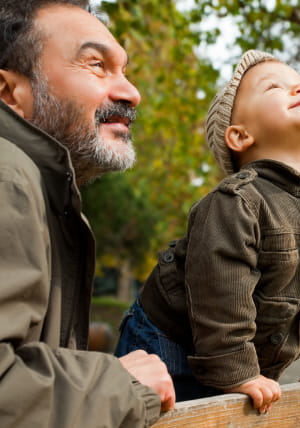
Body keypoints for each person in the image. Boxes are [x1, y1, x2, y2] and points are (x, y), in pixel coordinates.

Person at [115, 50, 300, 413]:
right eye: (275, 87)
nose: (299, 90)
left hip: (246, 357)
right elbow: (221, 291)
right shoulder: (236, 203)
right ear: (241, 136)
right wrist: (237, 369)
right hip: (172, 347)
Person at [0, 1, 175, 426]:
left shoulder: (42, 189)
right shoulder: (8, 176)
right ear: (10, 93)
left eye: (125, 70)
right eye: (96, 64)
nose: (131, 92)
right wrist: (120, 384)